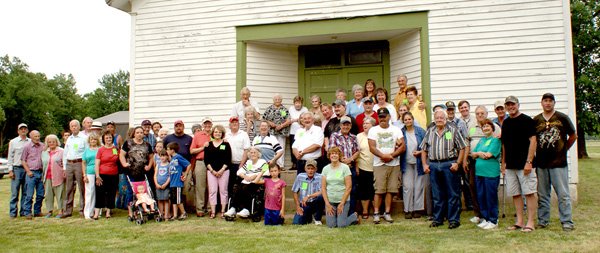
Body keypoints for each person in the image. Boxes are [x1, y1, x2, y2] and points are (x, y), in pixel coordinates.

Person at [533, 93, 577, 231]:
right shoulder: (536, 120)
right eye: (545, 101)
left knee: (563, 194)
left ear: (554, 103)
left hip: (558, 163)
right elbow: (532, 139)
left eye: (550, 101)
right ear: (541, 103)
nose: (548, 103)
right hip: (541, 163)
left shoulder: (562, 118)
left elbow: (573, 135)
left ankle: (567, 221)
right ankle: (543, 220)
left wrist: (564, 149)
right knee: (543, 194)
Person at [420, 110, 468, 229]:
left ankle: (453, 220)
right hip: (434, 165)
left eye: (442, 117)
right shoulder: (430, 131)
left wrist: (458, 163)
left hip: (449, 164)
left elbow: (462, 147)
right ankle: (438, 219)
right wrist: (424, 165)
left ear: (446, 119)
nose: (439, 119)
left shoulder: (453, 130)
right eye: (437, 117)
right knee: (437, 194)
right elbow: (424, 149)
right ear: (434, 119)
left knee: (452, 193)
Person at [501, 95, 538, 233]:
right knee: (515, 194)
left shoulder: (527, 120)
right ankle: (520, 221)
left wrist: (529, 162)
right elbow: (504, 144)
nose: (511, 107)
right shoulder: (506, 123)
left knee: (529, 193)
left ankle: (530, 222)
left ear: (518, 105)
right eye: (508, 105)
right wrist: (503, 163)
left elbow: (533, 141)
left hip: (525, 165)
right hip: (510, 166)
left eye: (513, 104)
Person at [465, 105, 502, 224]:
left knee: (489, 192)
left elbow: (493, 150)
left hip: (489, 167)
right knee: (475, 188)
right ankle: (480, 215)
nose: (480, 115)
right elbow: (468, 144)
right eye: (477, 113)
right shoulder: (472, 128)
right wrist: (468, 157)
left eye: (482, 113)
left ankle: (492, 218)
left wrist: (479, 153)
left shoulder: (495, 128)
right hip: (475, 165)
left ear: (486, 114)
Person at [368, 108, 405, 224]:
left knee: (390, 190)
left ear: (389, 117)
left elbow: (402, 146)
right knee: (379, 190)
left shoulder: (396, 130)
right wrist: (383, 156)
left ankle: (387, 213)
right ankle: (376, 213)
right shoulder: (373, 130)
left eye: (384, 116)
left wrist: (391, 156)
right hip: (379, 164)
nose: (382, 119)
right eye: (380, 117)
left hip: (393, 163)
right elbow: (372, 147)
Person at [224, 147, 269, 218]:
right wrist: (245, 176)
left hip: (256, 182)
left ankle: (246, 210)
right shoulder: (249, 162)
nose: (253, 154)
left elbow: (266, 172)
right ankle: (233, 209)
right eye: (251, 152)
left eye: (255, 152)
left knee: (247, 188)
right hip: (246, 181)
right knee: (238, 189)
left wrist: (255, 175)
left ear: (258, 154)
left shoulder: (263, 162)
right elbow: (239, 172)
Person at [120, 126, 155, 218]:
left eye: (141, 133)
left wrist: (149, 165)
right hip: (130, 172)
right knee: (131, 192)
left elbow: (151, 157)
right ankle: (131, 212)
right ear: (134, 134)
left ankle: (146, 209)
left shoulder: (147, 145)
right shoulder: (128, 143)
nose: (139, 134)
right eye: (137, 132)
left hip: (143, 173)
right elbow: (122, 155)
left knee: (145, 192)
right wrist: (124, 164)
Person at [328, 116, 360, 215]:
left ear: (350, 126)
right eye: (343, 124)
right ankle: (340, 212)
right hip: (338, 168)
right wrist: (342, 161)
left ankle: (351, 212)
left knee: (352, 190)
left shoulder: (354, 137)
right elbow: (332, 150)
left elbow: (357, 151)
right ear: (340, 125)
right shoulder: (334, 136)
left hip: (351, 167)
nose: (345, 126)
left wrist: (350, 159)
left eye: (347, 124)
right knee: (340, 189)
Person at [322, 146, 358, 228]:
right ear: (329, 156)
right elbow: (323, 188)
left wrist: (342, 203)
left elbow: (349, 187)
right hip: (330, 201)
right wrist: (327, 204)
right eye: (332, 153)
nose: (334, 155)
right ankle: (337, 218)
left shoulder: (345, 168)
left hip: (343, 201)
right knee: (331, 225)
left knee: (341, 225)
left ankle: (354, 216)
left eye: (336, 153)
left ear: (339, 156)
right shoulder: (325, 169)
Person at [400, 112, 426, 219]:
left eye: (409, 119)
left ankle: (417, 209)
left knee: (418, 186)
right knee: (407, 186)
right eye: (405, 120)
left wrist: (420, 153)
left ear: (413, 119)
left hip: (419, 161)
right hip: (406, 162)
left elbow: (426, 145)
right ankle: (408, 209)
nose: (408, 121)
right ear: (403, 121)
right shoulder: (401, 132)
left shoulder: (420, 131)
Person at [204, 125, 232, 218]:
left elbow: (228, 159)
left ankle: (223, 211)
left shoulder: (226, 144)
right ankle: (213, 211)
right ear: (213, 133)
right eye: (216, 132)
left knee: (223, 191)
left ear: (222, 134)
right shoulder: (208, 144)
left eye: (219, 132)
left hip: (224, 171)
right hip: (211, 172)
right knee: (212, 191)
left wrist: (221, 170)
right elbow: (206, 160)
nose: (217, 134)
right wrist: (212, 171)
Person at [61, 120, 87, 218]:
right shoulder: (69, 139)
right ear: (70, 128)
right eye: (72, 126)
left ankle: (83, 209)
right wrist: (64, 168)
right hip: (69, 163)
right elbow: (65, 154)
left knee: (82, 187)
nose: (74, 127)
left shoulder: (84, 138)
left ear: (79, 127)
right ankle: (67, 210)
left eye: (75, 126)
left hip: (79, 163)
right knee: (69, 188)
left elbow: (87, 152)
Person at [93, 131, 120, 219]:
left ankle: (108, 212)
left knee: (111, 193)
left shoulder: (115, 149)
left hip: (113, 175)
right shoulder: (101, 149)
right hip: (101, 175)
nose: (108, 139)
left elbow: (118, 160)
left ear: (112, 138)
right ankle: (96, 213)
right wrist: (97, 176)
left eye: (110, 137)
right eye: (107, 138)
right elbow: (97, 163)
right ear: (104, 139)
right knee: (99, 193)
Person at [225, 117, 251, 204]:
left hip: (242, 164)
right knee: (230, 185)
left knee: (242, 185)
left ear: (239, 124)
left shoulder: (243, 134)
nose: (235, 124)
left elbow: (246, 150)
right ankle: (231, 205)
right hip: (229, 165)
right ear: (229, 125)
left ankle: (241, 205)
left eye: (236, 122)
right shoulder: (226, 135)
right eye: (233, 122)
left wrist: (241, 164)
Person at [189, 117, 212, 217]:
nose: (207, 125)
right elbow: (192, 151)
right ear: (202, 125)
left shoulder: (215, 133)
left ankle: (211, 208)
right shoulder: (198, 135)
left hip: (213, 163)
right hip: (200, 162)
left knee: (211, 186)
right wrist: (203, 148)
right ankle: (200, 208)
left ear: (211, 124)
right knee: (200, 186)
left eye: (209, 123)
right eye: (205, 124)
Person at [21, 130, 45, 219]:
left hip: (40, 173)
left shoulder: (42, 146)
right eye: (35, 136)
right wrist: (28, 171)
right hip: (31, 173)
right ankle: (27, 212)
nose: (37, 138)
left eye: (38, 136)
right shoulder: (27, 147)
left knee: (41, 194)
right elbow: (23, 160)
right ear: (31, 137)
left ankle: (37, 211)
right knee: (29, 194)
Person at [292, 159, 324, 225]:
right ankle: (309, 217)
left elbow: (323, 191)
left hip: (315, 203)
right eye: (308, 168)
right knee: (297, 223)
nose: (310, 170)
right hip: (304, 204)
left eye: (312, 168)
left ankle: (317, 218)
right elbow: (294, 191)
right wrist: (298, 206)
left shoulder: (320, 177)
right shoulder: (300, 176)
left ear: (316, 169)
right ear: (305, 168)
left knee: (321, 197)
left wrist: (309, 196)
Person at [8, 123, 30, 218]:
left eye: (25, 129)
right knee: (15, 192)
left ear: (27, 130)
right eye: (21, 129)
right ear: (18, 131)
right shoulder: (13, 142)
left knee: (26, 191)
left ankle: (24, 211)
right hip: (17, 168)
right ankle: (13, 212)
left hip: (27, 169)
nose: (23, 130)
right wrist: (10, 170)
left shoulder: (30, 141)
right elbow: (10, 157)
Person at [263, 94, 291, 167]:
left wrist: (281, 126)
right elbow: (263, 119)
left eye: (279, 99)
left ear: (281, 100)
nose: (277, 101)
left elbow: (288, 120)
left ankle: (280, 166)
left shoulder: (284, 109)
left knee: (281, 148)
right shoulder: (269, 109)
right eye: (276, 99)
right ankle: (272, 165)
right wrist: (270, 123)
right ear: (273, 100)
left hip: (281, 132)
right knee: (272, 147)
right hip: (271, 132)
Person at [166, 142, 192, 221]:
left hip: (177, 182)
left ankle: (184, 213)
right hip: (172, 182)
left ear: (172, 150)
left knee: (178, 199)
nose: (167, 151)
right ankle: (175, 215)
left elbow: (188, 164)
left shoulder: (178, 157)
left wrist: (185, 174)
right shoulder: (172, 159)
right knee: (174, 200)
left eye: (168, 149)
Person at [41, 134, 65, 218]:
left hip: (58, 175)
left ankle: (60, 211)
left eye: (53, 141)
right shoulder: (44, 152)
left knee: (60, 194)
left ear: (56, 142)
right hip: (47, 176)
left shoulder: (61, 151)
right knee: (48, 195)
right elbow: (42, 164)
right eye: (49, 142)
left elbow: (64, 163)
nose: (51, 143)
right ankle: (49, 211)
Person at [356, 117, 376, 220]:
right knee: (364, 190)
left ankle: (376, 210)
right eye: (364, 123)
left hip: (376, 166)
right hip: (363, 166)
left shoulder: (376, 135)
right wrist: (357, 167)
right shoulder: (359, 136)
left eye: (367, 123)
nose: (364, 125)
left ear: (373, 125)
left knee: (374, 190)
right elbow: (356, 152)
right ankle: (365, 210)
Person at [81, 133, 100, 219]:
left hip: (99, 173)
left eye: (95, 139)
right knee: (89, 193)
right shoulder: (86, 151)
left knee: (98, 193)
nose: (93, 141)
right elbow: (83, 163)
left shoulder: (100, 149)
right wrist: (84, 175)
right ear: (89, 141)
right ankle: (87, 213)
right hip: (89, 173)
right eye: (92, 139)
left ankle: (96, 212)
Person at [289, 96, 309, 168]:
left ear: (301, 103)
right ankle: (294, 164)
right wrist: (296, 120)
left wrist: (297, 120)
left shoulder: (305, 109)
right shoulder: (291, 109)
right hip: (293, 131)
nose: (297, 104)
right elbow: (289, 120)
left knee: (302, 147)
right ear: (294, 103)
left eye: (299, 103)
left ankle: (301, 163)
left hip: (303, 131)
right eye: (296, 103)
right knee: (293, 148)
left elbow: (306, 119)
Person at [154, 150, 171, 219]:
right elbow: (155, 175)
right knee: (160, 200)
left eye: (164, 156)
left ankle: (166, 215)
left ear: (167, 156)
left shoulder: (169, 165)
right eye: (161, 156)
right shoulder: (158, 165)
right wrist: (156, 184)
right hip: (158, 185)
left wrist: (166, 184)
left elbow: (170, 176)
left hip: (166, 186)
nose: (162, 157)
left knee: (166, 200)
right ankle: (160, 214)